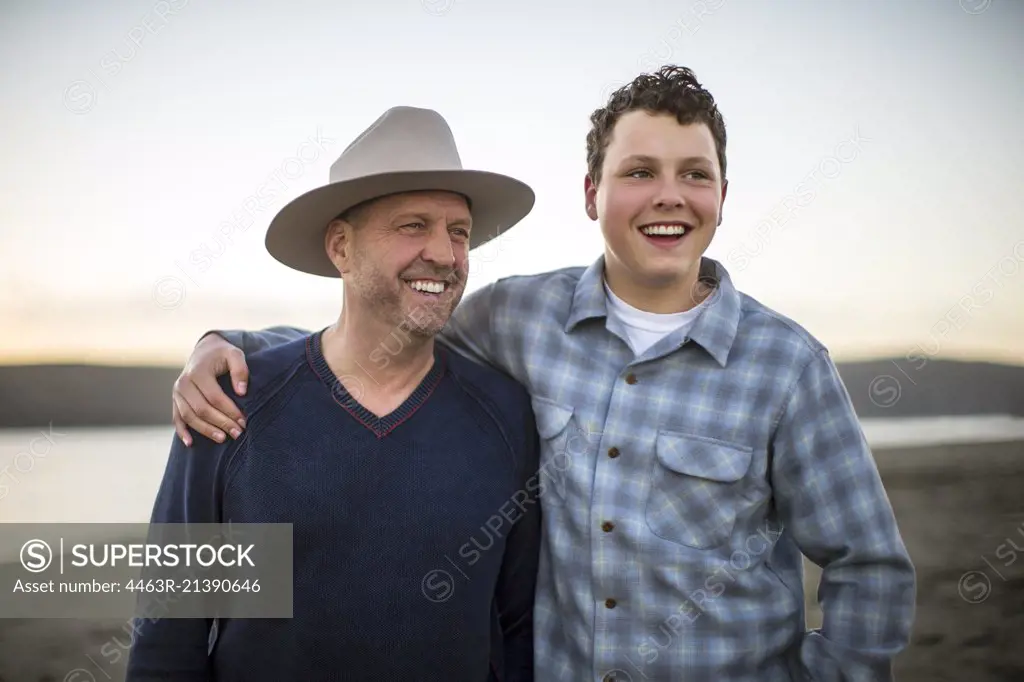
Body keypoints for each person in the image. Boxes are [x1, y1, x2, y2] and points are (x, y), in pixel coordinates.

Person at [171, 66, 917, 681]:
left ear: (721, 197)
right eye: (639, 171)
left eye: (696, 174)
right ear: (592, 194)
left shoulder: (787, 367)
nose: (669, 195)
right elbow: (376, 337)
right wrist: (229, 346)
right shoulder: (517, 318)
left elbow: (871, 568)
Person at [127, 106, 542, 682]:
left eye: (459, 232)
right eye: (412, 225)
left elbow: (517, 625)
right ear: (341, 247)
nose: (445, 256)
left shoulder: (504, 415)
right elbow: (169, 629)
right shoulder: (231, 405)